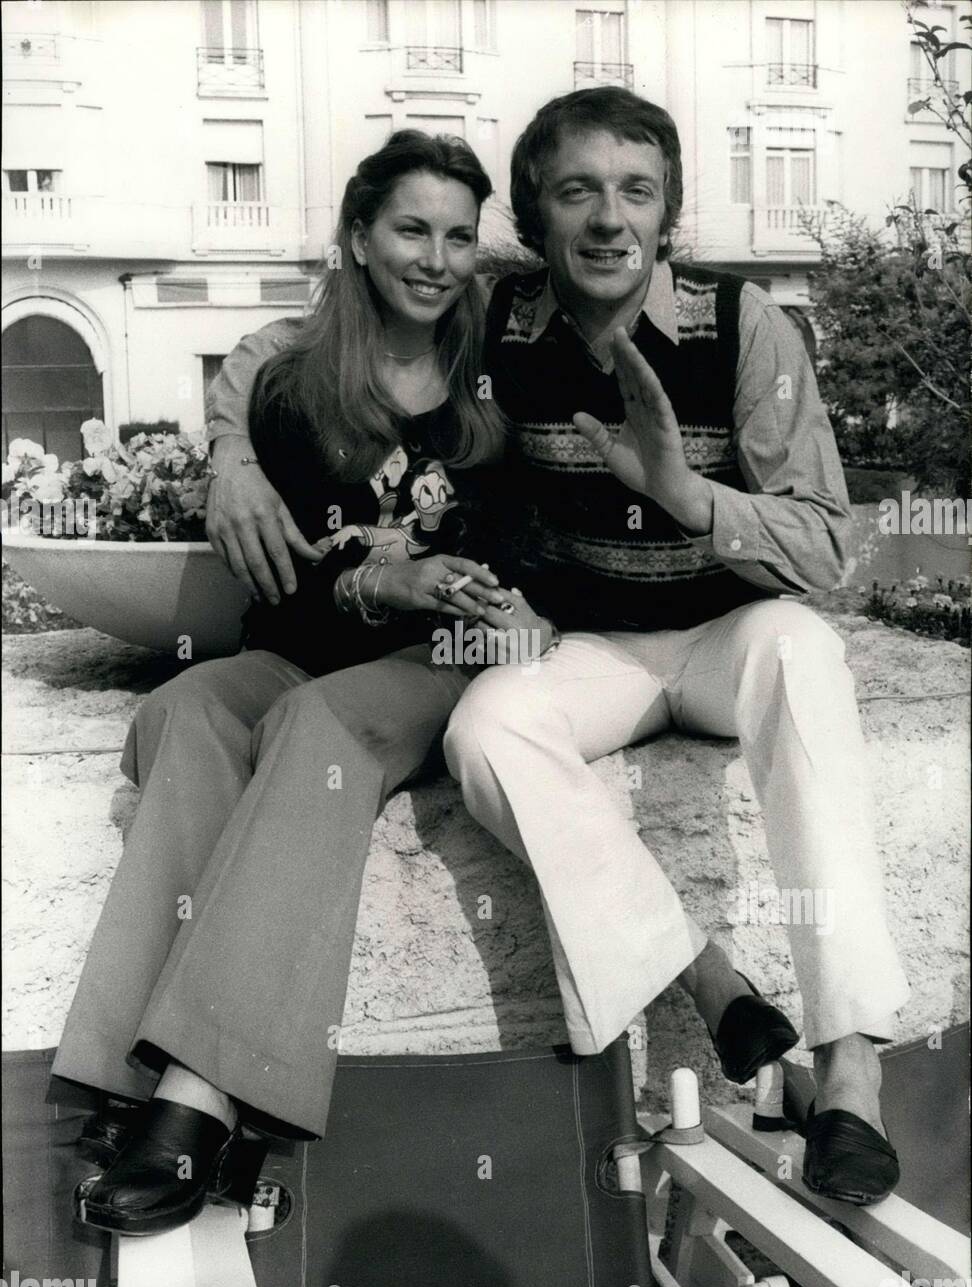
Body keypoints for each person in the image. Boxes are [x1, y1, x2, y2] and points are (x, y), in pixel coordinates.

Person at [204, 89, 909, 1206]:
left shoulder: (747, 324)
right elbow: (285, 343)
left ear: (669, 209)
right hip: (594, 649)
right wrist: (230, 455)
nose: (608, 219)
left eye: (636, 190)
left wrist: (684, 493)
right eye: (576, 190)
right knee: (488, 725)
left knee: (805, 655)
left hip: (729, 632)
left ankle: (851, 1067)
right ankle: (710, 981)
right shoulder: (501, 318)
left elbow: (826, 547)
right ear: (536, 213)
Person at [51, 130, 527, 1239]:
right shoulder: (291, 382)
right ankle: (121, 1071)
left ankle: (205, 1094)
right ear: (358, 235)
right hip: (311, 641)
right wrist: (346, 561)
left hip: (438, 660)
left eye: (460, 235)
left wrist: (424, 591)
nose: (438, 258)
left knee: (317, 724)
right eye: (412, 228)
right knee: (183, 709)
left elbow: (524, 553)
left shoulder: (502, 368)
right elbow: (299, 589)